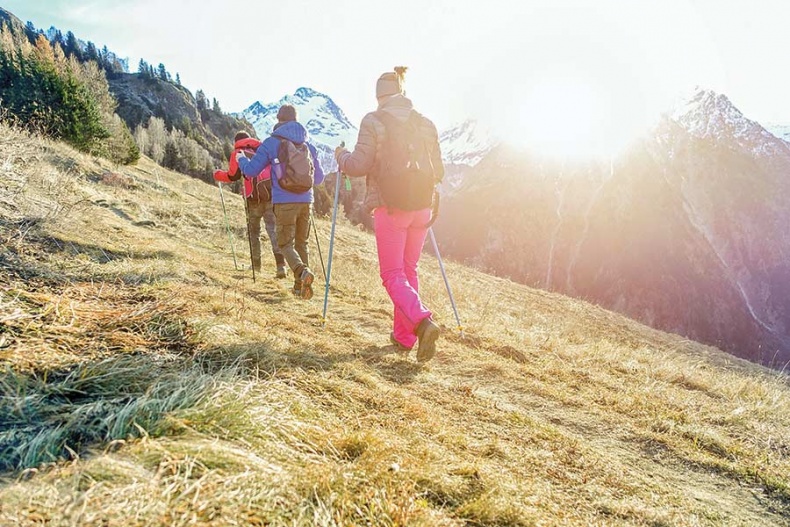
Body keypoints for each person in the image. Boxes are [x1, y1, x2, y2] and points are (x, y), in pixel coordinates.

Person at [334, 67, 444, 363]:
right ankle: (404, 337)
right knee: (409, 270)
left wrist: (340, 157)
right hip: (423, 207)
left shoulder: (373, 121)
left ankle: (422, 322)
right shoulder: (426, 124)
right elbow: (440, 171)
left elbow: (357, 165)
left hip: (391, 206)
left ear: (379, 96)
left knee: (392, 274)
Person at [237, 105, 325, 300]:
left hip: (284, 202)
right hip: (306, 201)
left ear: (279, 120)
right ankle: (299, 288)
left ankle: (302, 273)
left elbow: (251, 171)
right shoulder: (308, 145)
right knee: (302, 243)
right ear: (296, 120)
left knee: (285, 243)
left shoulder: (271, 142)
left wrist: (241, 160)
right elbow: (318, 178)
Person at [214, 131, 286, 278]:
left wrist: (217, 174)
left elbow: (232, 176)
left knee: (254, 233)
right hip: (270, 197)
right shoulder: (262, 149)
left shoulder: (237, 152)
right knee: (273, 231)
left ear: (237, 141)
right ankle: (281, 267)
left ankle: (256, 266)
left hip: (252, 199)